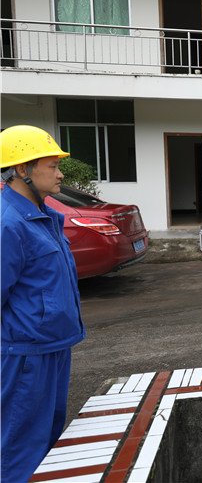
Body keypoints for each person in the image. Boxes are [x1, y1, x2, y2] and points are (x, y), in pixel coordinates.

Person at [1, 125, 86, 482]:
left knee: (49, 443)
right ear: (23, 170)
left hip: (53, 346)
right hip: (25, 355)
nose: (60, 173)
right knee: (21, 448)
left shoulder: (44, 216)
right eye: (52, 166)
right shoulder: (8, 223)